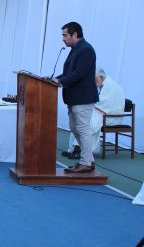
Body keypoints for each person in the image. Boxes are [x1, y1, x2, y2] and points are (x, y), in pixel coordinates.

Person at [54, 22, 98, 174]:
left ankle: (85, 162)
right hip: (74, 98)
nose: (63, 39)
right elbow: (69, 73)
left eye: (65, 35)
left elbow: (79, 73)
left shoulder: (86, 50)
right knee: (74, 129)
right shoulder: (75, 49)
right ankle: (89, 159)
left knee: (82, 129)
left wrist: (60, 81)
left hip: (83, 97)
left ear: (75, 34)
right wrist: (55, 78)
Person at [62, 67, 125, 158]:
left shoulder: (111, 86)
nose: (94, 83)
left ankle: (80, 150)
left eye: (95, 80)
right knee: (80, 119)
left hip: (112, 117)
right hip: (103, 113)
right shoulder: (103, 85)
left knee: (88, 121)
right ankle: (73, 148)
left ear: (101, 77)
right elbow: (99, 102)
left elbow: (104, 102)